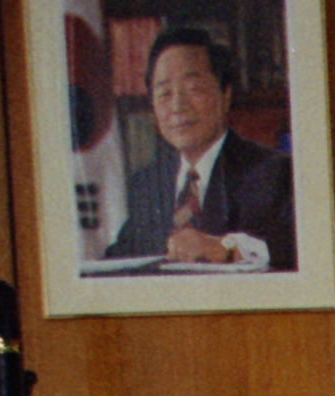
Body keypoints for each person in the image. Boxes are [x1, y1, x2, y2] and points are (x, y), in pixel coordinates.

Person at [101, 25, 293, 271]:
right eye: (164, 93)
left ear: (225, 96)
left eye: (193, 89)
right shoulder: (147, 184)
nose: (178, 106)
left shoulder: (273, 173)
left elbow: (301, 250)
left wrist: (227, 249)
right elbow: (115, 263)